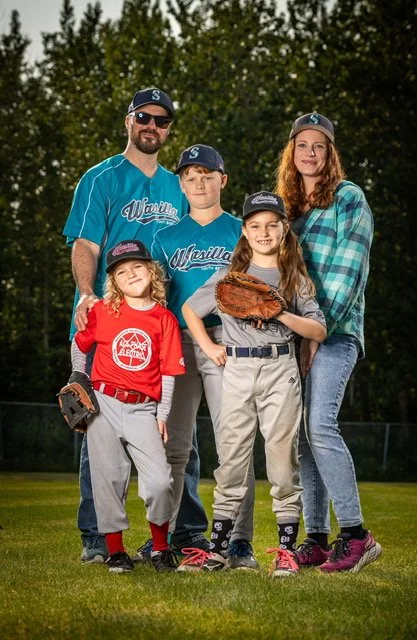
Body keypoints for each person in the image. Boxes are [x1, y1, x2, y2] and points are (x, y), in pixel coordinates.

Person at [63, 87, 189, 563]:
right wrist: (89, 293)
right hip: (107, 322)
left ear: (168, 128)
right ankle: (98, 539)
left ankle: (176, 535)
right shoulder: (101, 178)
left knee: (175, 435)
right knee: (97, 433)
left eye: (161, 119)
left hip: (163, 324)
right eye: (143, 117)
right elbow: (86, 246)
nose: (151, 125)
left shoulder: (179, 185)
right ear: (128, 121)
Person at [180, 191, 327, 577]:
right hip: (238, 371)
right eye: (255, 225)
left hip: (280, 368)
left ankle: (286, 551)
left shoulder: (295, 277)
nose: (264, 232)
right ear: (244, 231)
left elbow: (318, 329)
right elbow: (190, 310)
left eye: (272, 225)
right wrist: (210, 346)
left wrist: (282, 314)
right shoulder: (229, 277)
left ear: (283, 229)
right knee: (230, 462)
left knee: (282, 462)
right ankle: (217, 550)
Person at [133, 144, 258, 570]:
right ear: (181, 184)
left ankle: (240, 542)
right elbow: (153, 299)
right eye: (190, 176)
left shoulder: (244, 232)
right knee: (172, 447)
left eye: (207, 175)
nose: (198, 182)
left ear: (223, 180)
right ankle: (161, 539)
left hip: (232, 342)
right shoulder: (165, 238)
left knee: (234, 446)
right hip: (179, 346)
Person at [276, 112, 381, 573]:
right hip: (295, 336)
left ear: (330, 153)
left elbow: (347, 273)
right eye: (303, 145)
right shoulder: (288, 208)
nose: (310, 153)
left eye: (319, 146)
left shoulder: (348, 197)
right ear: (292, 152)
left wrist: (316, 335)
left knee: (320, 425)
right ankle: (316, 539)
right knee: (302, 438)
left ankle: (356, 536)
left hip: (334, 334)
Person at [70, 239, 185, 573]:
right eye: (122, 272)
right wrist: (79, 377)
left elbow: (168, 374)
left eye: (137, 266)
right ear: (114, 282)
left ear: (151, 271)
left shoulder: (164, 320)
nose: (131, 274)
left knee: (160, 480)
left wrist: (162, 415)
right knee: (108, 478)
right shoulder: (104, 311)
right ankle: (116, 552)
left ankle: (161, 548)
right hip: (103, 405)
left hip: (143, 409)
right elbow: (81, 344)